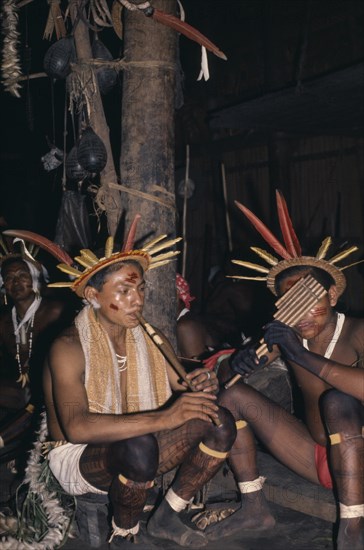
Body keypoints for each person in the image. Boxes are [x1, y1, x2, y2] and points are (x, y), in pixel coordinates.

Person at [20, 219, 237, 548]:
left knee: (219, 421)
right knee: (139, 445)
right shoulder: (68, 347)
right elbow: (77, 427)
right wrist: (166, 418)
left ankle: (168, 513)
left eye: (141, 289)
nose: (138, 300)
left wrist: (201, 384)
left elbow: (183, 388)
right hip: (79, 458)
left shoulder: (150, 337)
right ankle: (124, 534)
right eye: (124, 291)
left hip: (140, 440)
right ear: (93, 295)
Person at [204, 191, 363, 550]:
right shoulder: (283, 337)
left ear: (333, 297)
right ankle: (255, 507)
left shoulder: (357, 331)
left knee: (339, 402)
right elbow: (225, 382)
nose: (303, 313)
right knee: (231, 397)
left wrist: (300, 355)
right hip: (320, 461)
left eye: (312, 300)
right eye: (292, 302)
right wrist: (238, 361)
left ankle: (352, 529)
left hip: (361, 461)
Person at [0, 240, 72, 476]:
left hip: (55, 390)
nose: (16, 282)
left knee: (36, 404)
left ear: (34, 278)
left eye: (22, 275)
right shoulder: (3, 323)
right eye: (9, 278)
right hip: (24, 390)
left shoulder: (56, 310)